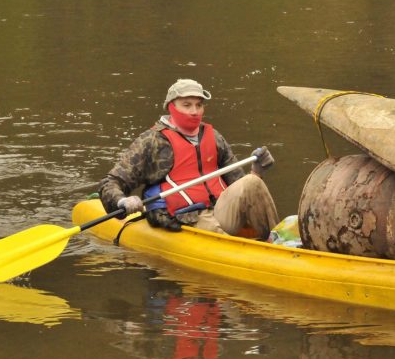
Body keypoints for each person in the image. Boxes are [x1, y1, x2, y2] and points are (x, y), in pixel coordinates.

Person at [98, 78, 279, 239]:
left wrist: (257, 172)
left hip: (219, 209)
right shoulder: (152, 141)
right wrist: (122, 201)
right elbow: (111, 183)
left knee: (252, 182)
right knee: (214, 228)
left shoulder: (214, 137)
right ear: (171, 107)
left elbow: (240, 186)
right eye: (187, 105)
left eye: (199, 105)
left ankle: (274, 239)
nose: (194, 111)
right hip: (183, 216)